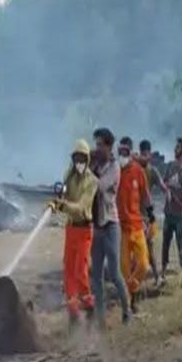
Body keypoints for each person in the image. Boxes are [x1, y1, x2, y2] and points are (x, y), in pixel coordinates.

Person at [47, 140, 98, 327]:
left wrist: (63, 205)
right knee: (68, 269)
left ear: (87, 159)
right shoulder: (69, 176)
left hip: (84, 229)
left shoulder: (92, 182)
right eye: (76, 158)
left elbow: (81, 207)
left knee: (80, 272)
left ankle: (89, 305)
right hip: (71, 229)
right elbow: (64, 196)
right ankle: (73, 314)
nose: (79, 162)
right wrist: (57, 201)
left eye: (82, 159)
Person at [90, 128, 132, 325]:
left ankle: (127, 311)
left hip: (110, 224)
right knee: (96, 275)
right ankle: (100, 319)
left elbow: (99, 186)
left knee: (114, 273)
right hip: (96, 225)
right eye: (95, 144)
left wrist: (88, 169)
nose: (96, 148)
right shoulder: (96, 165)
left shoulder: (114, 168)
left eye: (100, 145)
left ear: (109, 146)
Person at [116, 136, 152, 313]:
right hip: (121, 229)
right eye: (119, 152)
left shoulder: (138, 171)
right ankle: (131, 303)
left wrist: (151, 215)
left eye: (125, 152)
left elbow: (145, 195)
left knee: (144, 264)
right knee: (124, 268)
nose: (122, 155)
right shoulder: (115, 172)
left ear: (131, 153)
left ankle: (132, 289)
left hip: (137, 226)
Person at [161, 137, 182, 286]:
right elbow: (164, 182)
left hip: (180, 215)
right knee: (165, 244)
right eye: (175, 147)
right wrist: (167, 189)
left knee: (181, 245)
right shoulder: (170, 166)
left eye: (178, 148)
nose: (175, 150)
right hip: (169, 213)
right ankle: (162, 274)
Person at [138, 139, 162, 286]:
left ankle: (156, 276)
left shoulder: (152, 171)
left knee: (150, 247)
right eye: (143, 153)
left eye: (147, 153)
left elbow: (161, 184)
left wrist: (166, 189)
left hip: (147, 214)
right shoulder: (134, 168)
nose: (145, 156)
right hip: (135, 214)